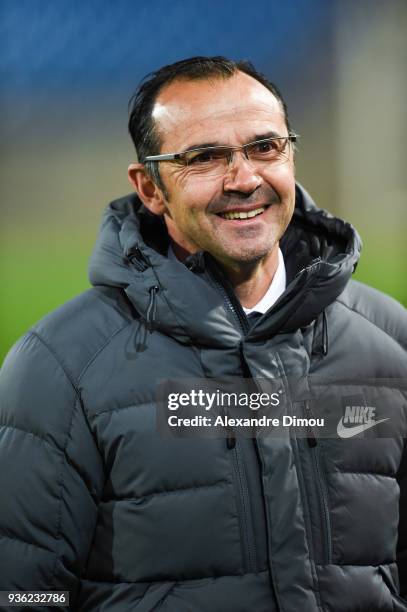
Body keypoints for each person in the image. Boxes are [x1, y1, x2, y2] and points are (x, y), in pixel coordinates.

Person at [0, 56, 406, 612]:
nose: (243, 179)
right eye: (204, 157)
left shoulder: (390, 342)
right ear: (150, 188)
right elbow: (22, 594)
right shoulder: (60, 367)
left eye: (265, 147)